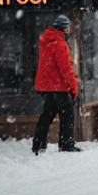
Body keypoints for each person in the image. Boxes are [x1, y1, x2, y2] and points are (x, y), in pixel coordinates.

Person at [32, 15, 81, 154]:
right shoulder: (60, 44)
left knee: (47, 115)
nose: (68, 32)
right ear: (63, 29)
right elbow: (66, 69)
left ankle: (38, 144)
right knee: (67, 115)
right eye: (67, 29)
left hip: (46, 87)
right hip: (58, 87)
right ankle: (66, 144)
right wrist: (73, 87)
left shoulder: (46, 42)